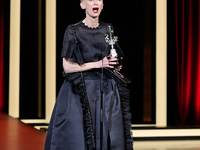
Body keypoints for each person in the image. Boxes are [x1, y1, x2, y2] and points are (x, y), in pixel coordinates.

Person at [44, 0, 133, 149]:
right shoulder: (73, 30)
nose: (95, 3)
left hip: (106, 90)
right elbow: (67, 67)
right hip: (81, 92)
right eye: (91, 0)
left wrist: (115, 64)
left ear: (103, 4)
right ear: (82, 5)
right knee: (80, 136)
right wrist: (98, 64)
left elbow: (114, 60)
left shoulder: (108, 28)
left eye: (99, 0)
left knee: (111, 135)